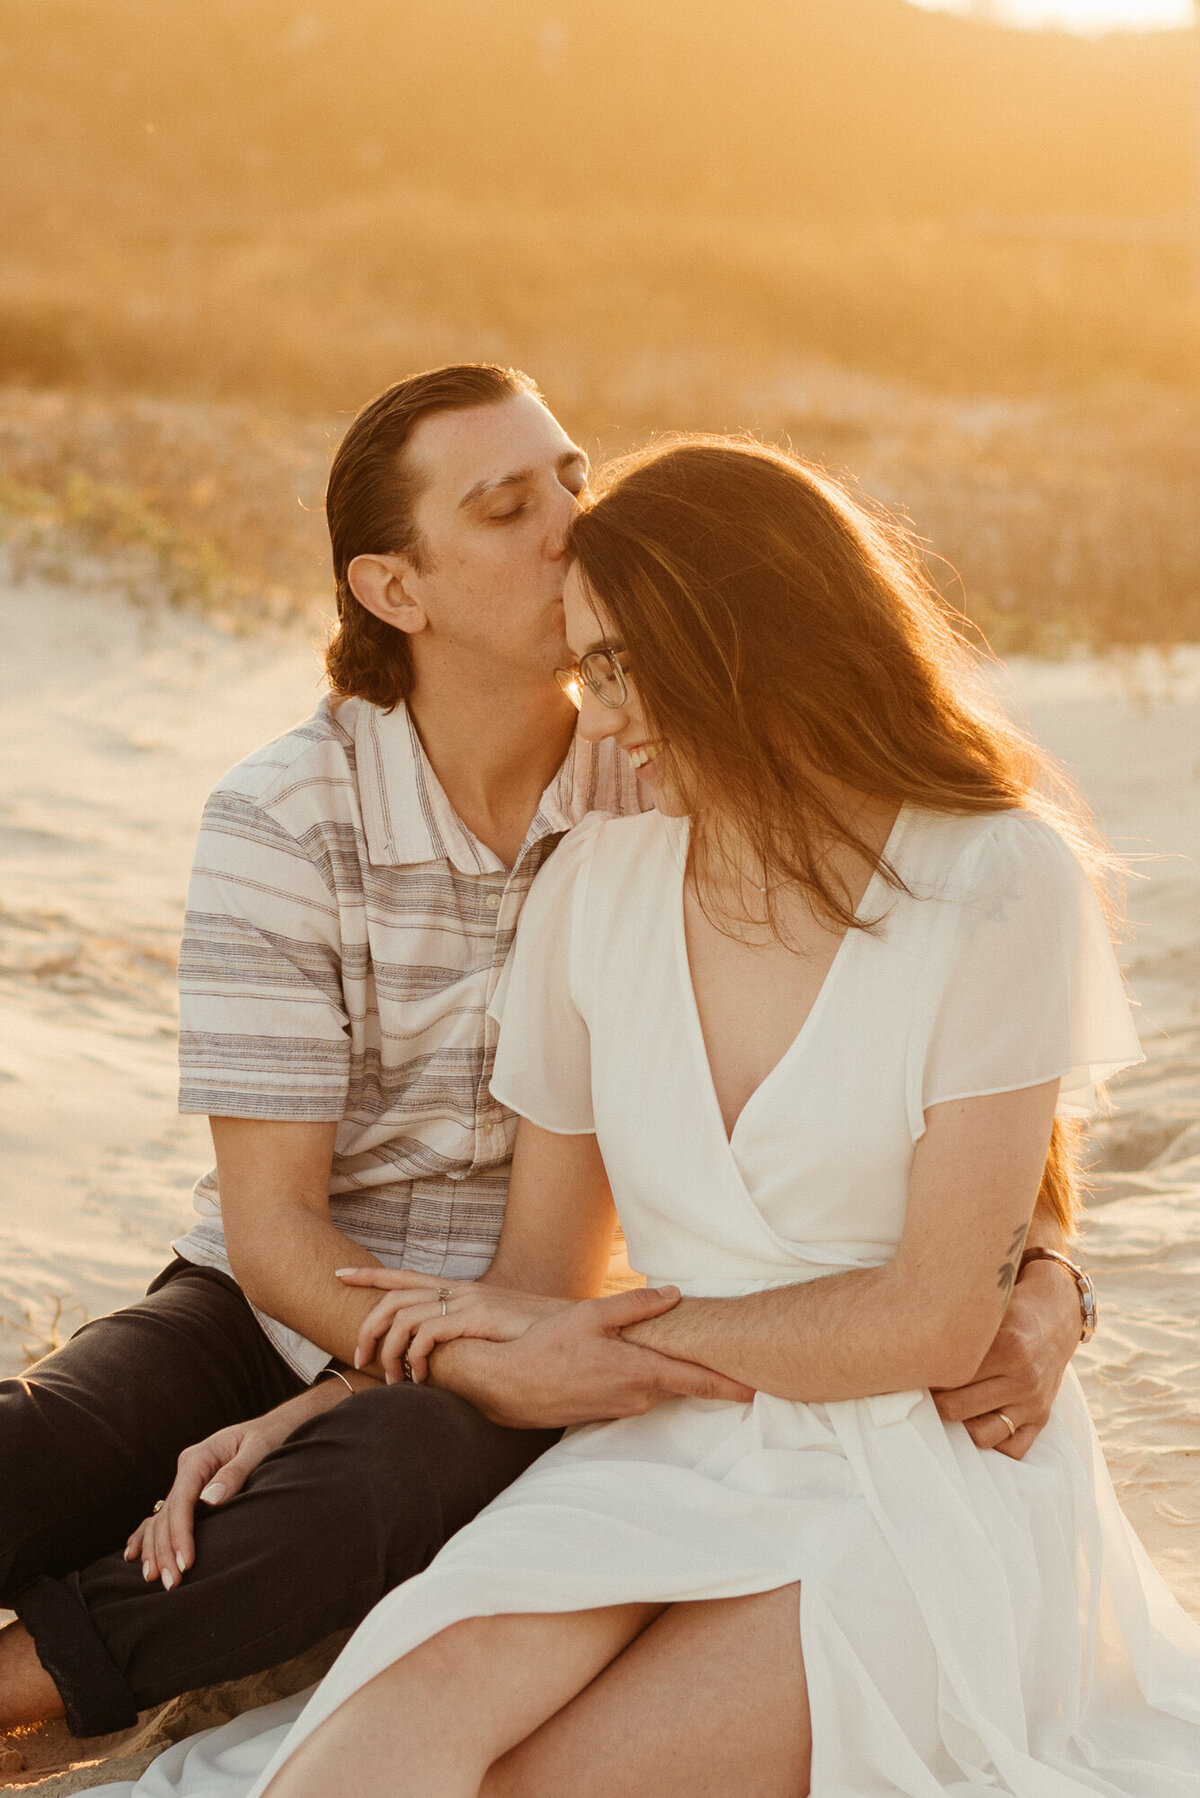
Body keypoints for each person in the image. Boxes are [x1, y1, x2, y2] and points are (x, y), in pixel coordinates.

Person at [84, 436, 1200, 1798]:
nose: (597, 718)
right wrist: (320, 1410)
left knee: (542, 1785)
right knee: (377, 1743)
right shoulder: (596, 890)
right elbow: (538, 1284)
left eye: (618, 666)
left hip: (917, 1462)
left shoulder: (996, 876)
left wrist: (585, 1342)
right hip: (652, 1438)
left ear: (752, 644)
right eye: (584, 665)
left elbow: (930, 1322)